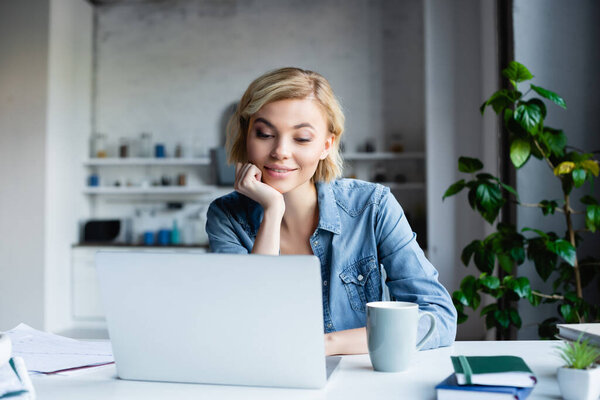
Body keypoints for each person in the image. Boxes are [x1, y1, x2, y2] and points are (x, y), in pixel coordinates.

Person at [206, 67, 457, 356]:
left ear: (327, 145)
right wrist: (273, 210)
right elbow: (246, 323)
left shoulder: (372, 206)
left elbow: (437, 318)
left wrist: (323, 344)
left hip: (356, 380)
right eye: (264, 134)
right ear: (246, 135)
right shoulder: (226, 217)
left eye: (301, 138)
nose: (280, 151)